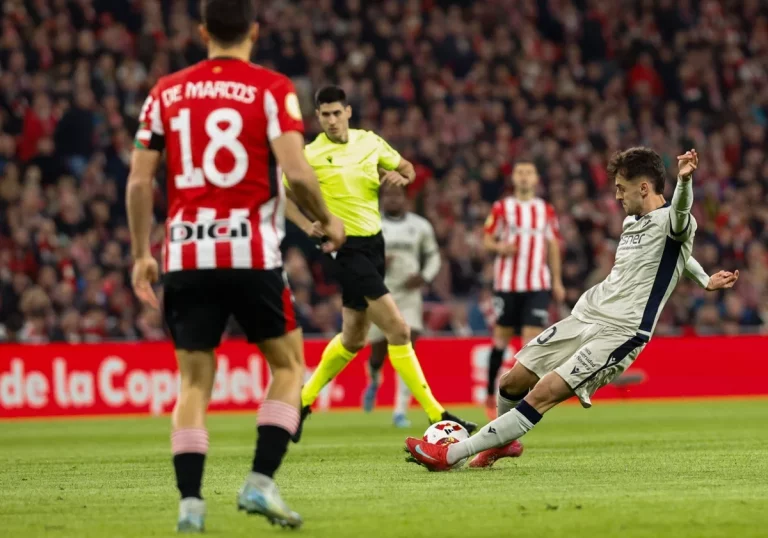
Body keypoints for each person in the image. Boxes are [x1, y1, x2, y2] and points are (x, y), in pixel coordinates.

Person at [126, 0, 344, 531]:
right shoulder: (271, 89)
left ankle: (190, 507)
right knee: (290, 367)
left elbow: (138, 182)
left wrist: (140, 255)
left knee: (194, 383)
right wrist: (328, 220)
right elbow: (295, 172)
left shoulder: (166, 91)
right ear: (254, 30)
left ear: (202, 31)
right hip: (250, 252)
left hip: (184, 253)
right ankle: (260, 482)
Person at [405, 147, 740, 471]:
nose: (617, 197)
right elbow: (682, 253)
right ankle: (501, 443)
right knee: (511, 382)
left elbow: (681, 218)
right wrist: (704, 279)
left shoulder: (675, 218)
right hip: (585, 316)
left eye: (622, 189)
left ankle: (450, 456)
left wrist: (684, 182)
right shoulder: (633, 223)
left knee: (543, 393)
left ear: (643, 187)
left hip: (621, 331)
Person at [284, 85, 477, 441]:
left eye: (336, 113)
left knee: (353, 339)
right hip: (346, 249)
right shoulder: (311, 154)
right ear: (318, 117)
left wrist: (401, 176)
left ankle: (301, 402)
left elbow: (406, 169)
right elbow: (285, 194)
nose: (331, 120)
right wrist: (307, 225)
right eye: (324, 115)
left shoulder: (369, 142)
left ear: (348, 112)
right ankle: (439, 414)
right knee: (399, 331)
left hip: (375, 244)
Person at [482, 160, 564, 419]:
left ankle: (525, 398)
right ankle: (488, 393)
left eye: (529, 172)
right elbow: (487, 238)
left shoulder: (545, 210)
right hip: (507, 284)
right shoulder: (502, 207)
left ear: (536, 178)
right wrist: (500, 248)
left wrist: (557, 281)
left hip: (537, 284)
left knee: (530, 342)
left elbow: (552, 245)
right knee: (501, 339)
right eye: (520, 173)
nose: (525, 177)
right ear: (514, 178)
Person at [360, 183, 442, 428]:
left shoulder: (420, 226)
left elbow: (434, 255)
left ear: (405, 199)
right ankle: (374, 379)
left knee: (408, 347)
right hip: (380, 293)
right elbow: (359, 257)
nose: (393, 199)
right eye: (389, 195)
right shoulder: (371, 224)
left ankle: (399, 411)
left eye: (397, 195)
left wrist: (424, 276)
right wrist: (377, 261)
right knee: (378, 354)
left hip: (409, 295)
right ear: (382, 199)